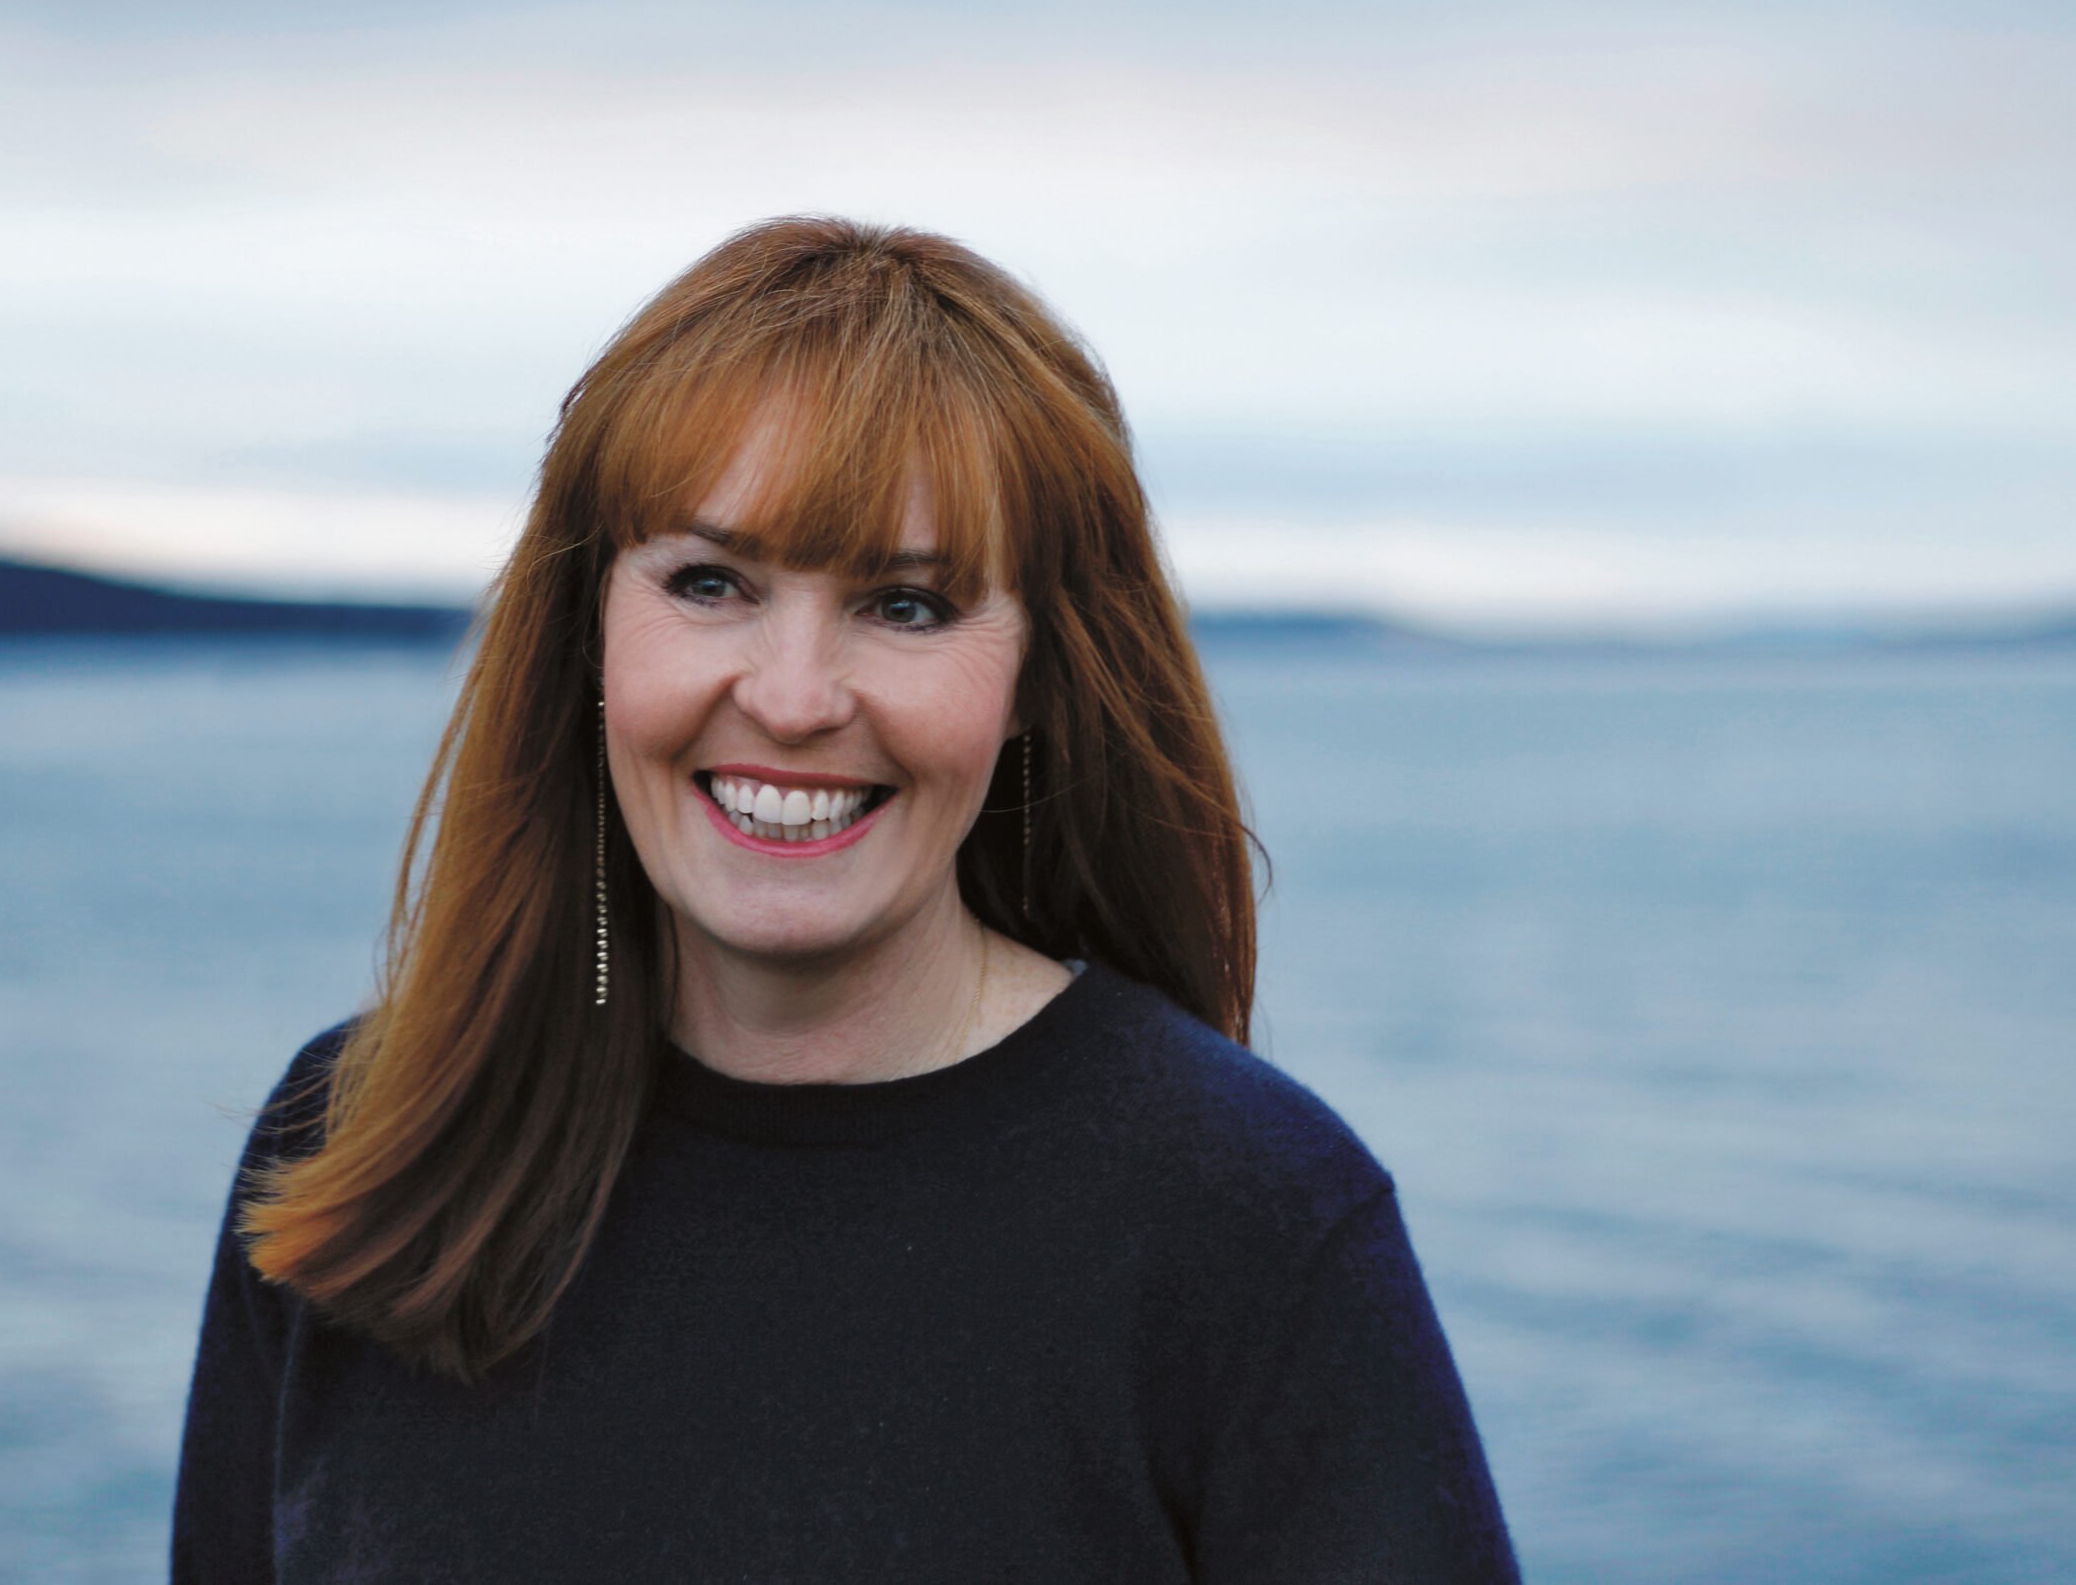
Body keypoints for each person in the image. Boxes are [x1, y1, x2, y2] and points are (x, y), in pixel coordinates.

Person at [172, 216, 1520, 1582]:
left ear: (1036, 683)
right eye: (710, 583)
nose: (795, 698)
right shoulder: (358, 1152)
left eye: (907, 605)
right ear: (586, 632)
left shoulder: (1247, 1222)